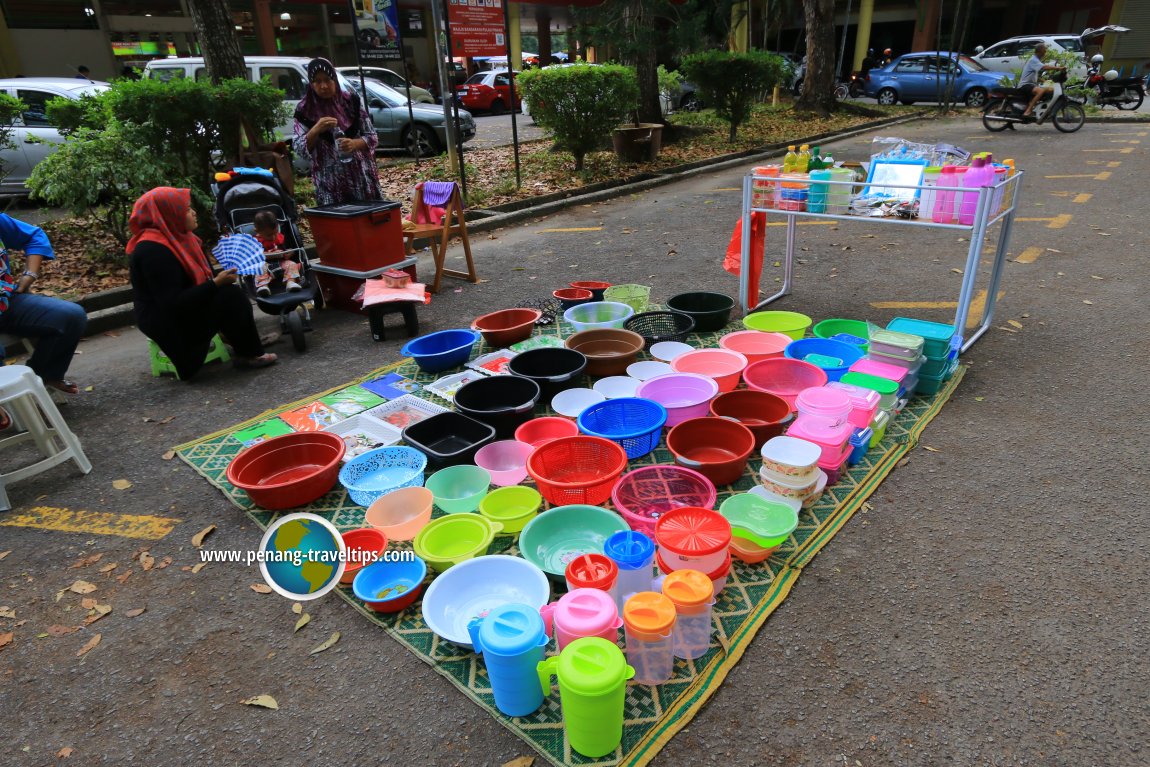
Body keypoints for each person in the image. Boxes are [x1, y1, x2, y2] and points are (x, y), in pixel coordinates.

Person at [128, 187, 276, 380]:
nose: (194, 212)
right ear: (169, 215)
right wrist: (215, 284)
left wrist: (218, 281)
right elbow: (172, 304)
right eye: (187, 209)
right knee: (230, 296)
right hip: (165, 319)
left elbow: (204, 281)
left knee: (230, 292)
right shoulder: (152, 251)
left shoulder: (184, 238)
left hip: (186, 304)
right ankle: (248, 353)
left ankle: (244, 345)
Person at [0, 214, 88, 403]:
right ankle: (8, 401)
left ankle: (43, 376)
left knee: (71, 316)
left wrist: (29, 275)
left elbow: (34, 236)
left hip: (7, 302)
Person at [292, 58, 382, 207]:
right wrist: (316, 129)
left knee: (366, 225)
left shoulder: (351, 102)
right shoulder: (304, 110)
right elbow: (300, 149)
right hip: (329, 185)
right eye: (317, 81)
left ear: (335, 78)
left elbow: (372, 137)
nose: (324, 86)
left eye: (328, 80)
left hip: (362, 180)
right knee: (338, 226)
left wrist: (354, 143)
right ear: (311, 84)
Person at [251, 210, 301, 295]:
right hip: (264, 265)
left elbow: (285, 250)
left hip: (281, 263)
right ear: (257, 231)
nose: (273, 237)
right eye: (269, 235)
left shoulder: (279, 237)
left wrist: (288, 253)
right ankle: (263, 286)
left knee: (292, 264)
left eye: (275, 233)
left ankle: (290, 282)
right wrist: (272, 255)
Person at [1020, 43, 1065, 119]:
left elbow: (1032, 74)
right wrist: (1058, 68)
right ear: (1040, 51)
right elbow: (1044, 67)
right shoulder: (1033, 60)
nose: (1045, 52)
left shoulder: (1035, 60)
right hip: (1025, 85)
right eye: (1044, 50)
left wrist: (1044, 80)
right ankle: (1028, 110)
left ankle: (1041, 108)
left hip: (1030, 84)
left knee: (1050, 90)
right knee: (1040, 91)